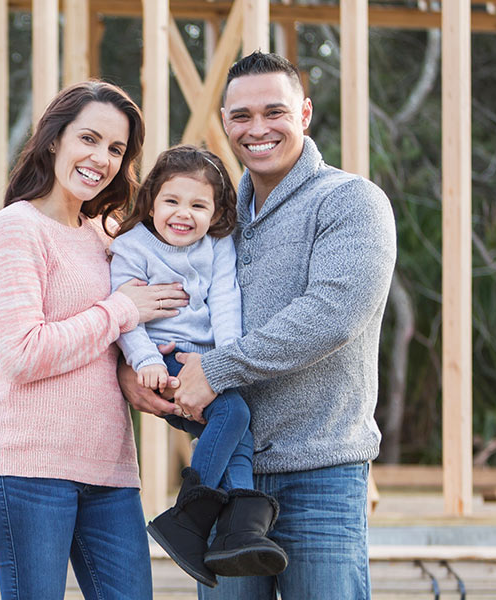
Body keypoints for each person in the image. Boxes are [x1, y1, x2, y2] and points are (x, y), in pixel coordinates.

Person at [119, 52, 397, 599]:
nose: (258, 128)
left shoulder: (349, 201)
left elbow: (332, 315)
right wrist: (135, 371)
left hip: (320, 476)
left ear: (306, 113)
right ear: (224, 121)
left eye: (275, 111)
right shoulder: (212, 222)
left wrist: (218, 369)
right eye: (241, 116)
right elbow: (181, 325)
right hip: (228, 478)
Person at [0, 80, 188, 600]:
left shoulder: (106, 237)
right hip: (29, 467)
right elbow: (23, 354)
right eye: (89, 139)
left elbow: (115, 341)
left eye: (116, 149)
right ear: (54, 140)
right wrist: (119, 310)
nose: (102, 158)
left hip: (110, 467)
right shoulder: (17, 228)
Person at [108, 145, 287, 589]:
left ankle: (240, 523)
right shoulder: (132, 247)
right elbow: (124, 313)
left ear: (216, 211)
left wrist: (222, 363)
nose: (182, 213)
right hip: (162, 356)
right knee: (235, 415)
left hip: (206, 362)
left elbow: (226, 301)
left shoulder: (217, 246)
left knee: (234, 423)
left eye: (198, 205)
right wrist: (146, 360)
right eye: (172, 201)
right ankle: (192, 511)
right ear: (151, 201)